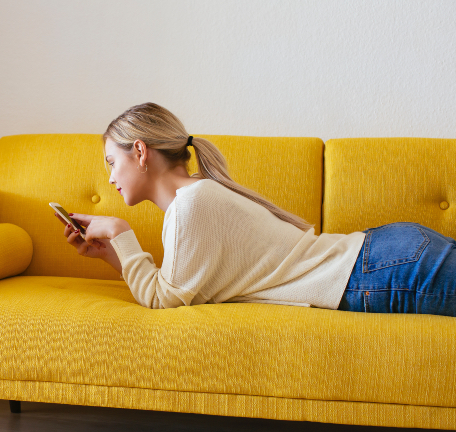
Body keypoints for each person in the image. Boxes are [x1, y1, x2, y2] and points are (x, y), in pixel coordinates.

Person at [54, 102, 456, 316]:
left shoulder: (193, 204)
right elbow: (175, 290)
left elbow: (166, 301)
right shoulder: (196, 197)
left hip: (382, 268)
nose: (110, 178)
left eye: (111, 161)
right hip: (386, 256)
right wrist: (113, 254)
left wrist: (121, 232)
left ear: (139, 151)